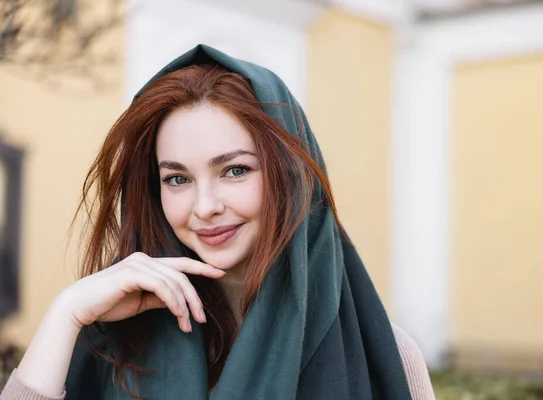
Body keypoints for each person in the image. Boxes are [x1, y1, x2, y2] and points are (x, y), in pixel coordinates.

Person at [0, 45, 435, 400]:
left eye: (235, 170)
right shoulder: (113, 340)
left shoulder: (381, 352)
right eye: (177, 178)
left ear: (291, 176)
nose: (204, 206)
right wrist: (66, 314)